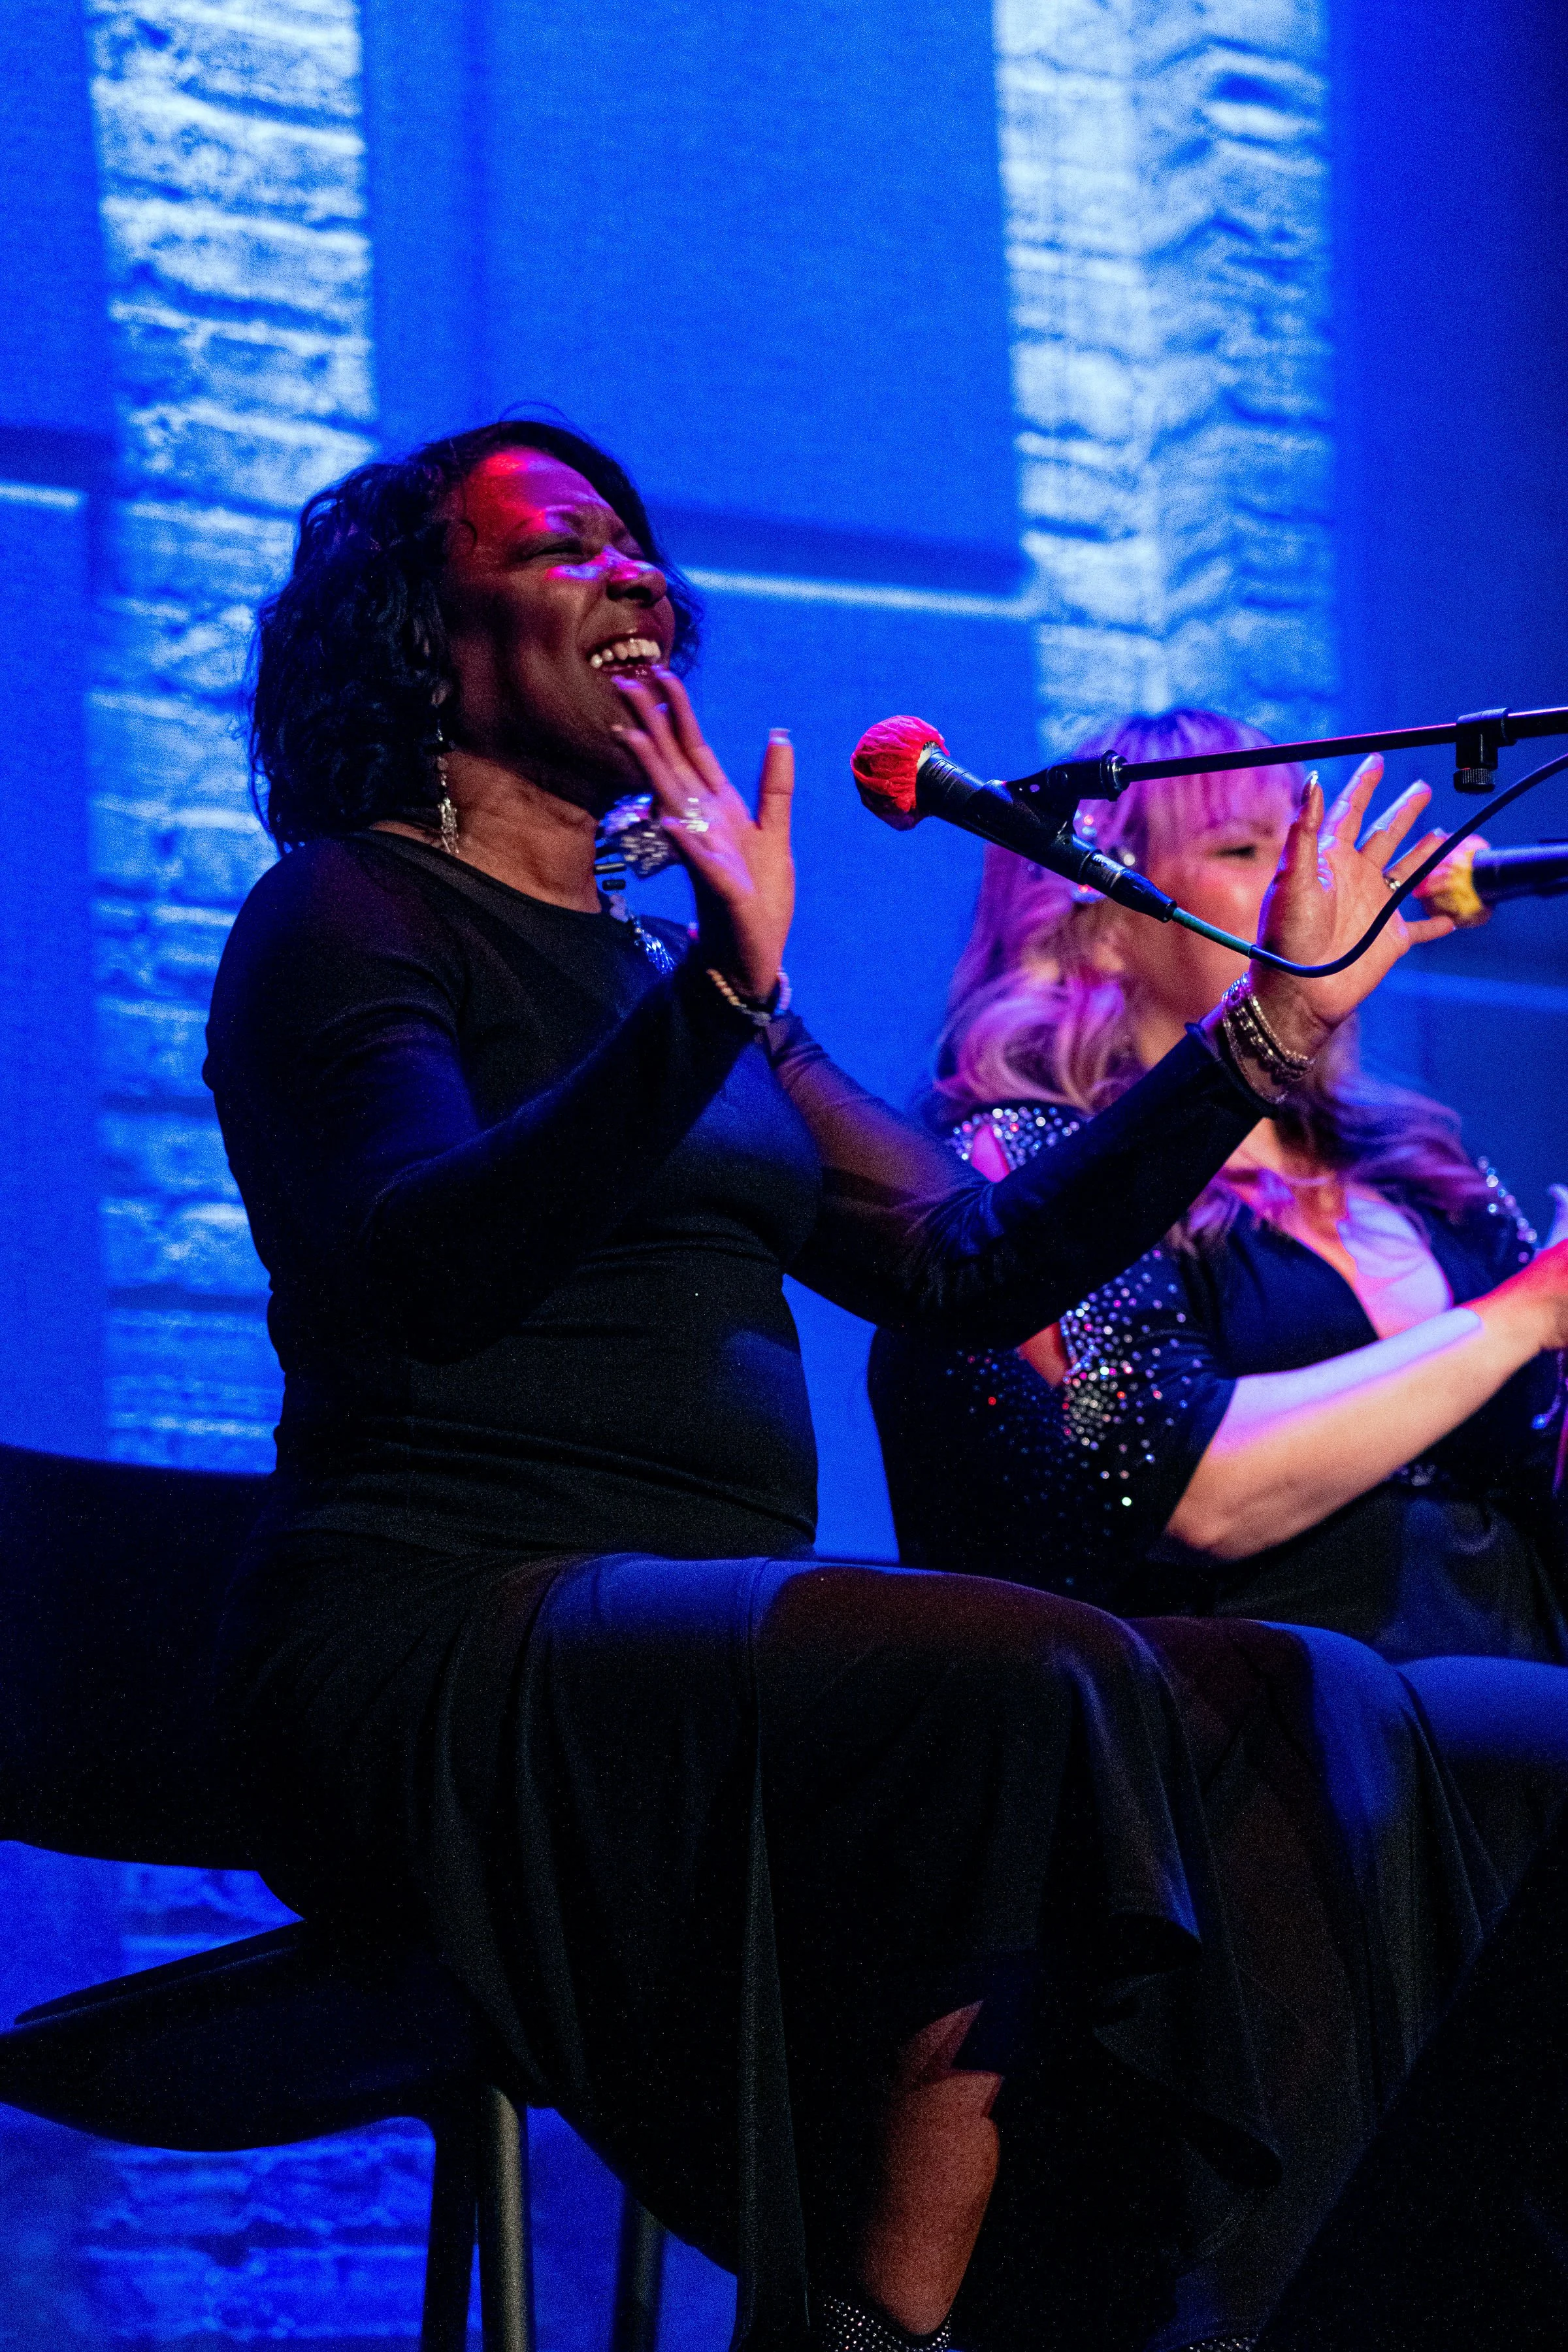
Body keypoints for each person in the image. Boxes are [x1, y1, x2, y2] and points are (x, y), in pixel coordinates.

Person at [208, 426, 1562, 2352]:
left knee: (1308, 1697)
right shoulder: (347, 916)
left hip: (690, 1638)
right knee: (1037, 1670)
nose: (638, 580)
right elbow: (415, 1269)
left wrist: (1274, 1026)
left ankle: (1249, 2301)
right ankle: (882, 2326)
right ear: (425, 638)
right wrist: (704, 1009)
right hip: (442, 1638)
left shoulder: (689, 973)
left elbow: (967, 1261)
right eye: (565, 546)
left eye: (642, 545)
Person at [869, 708, 1568, 1672]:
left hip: (1510, 1721)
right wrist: (1524, 1316)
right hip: (1254, 1742)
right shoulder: (1033, 1164)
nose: (1308, 879)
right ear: (1103, 923)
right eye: (1245, 849)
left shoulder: (1422, 1172)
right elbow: (1195, 1489)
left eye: (1306, 841)